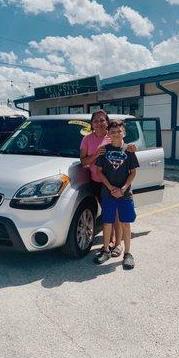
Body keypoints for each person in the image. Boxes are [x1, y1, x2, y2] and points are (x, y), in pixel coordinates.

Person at [80, 110, 136, 257]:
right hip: (97, 182)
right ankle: (108, 243)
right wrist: (96, 154)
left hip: (116, 182)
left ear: (106, 121)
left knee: (117, 215)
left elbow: (125, 149)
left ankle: (117, 245)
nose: (99, 123)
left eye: (102, 120)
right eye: (95, 121)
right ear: (91, 124)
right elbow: (83, 161)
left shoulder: (111, 134)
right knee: (108, 214)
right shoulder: (87, 139)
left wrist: (133, 147)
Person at [94, 120, 139, 269]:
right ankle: (106, 249)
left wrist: (123, 188)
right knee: (107, 222)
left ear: (123, 133)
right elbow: (99, 171)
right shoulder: (103, 150)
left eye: (119, 131)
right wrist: (111, 187)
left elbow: (133, 172)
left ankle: (127, 254)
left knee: (125, 223)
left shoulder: (129, 150)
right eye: (112, 132)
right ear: (108, 134)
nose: (116, 134)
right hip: (108, 193)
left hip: (125, 195)